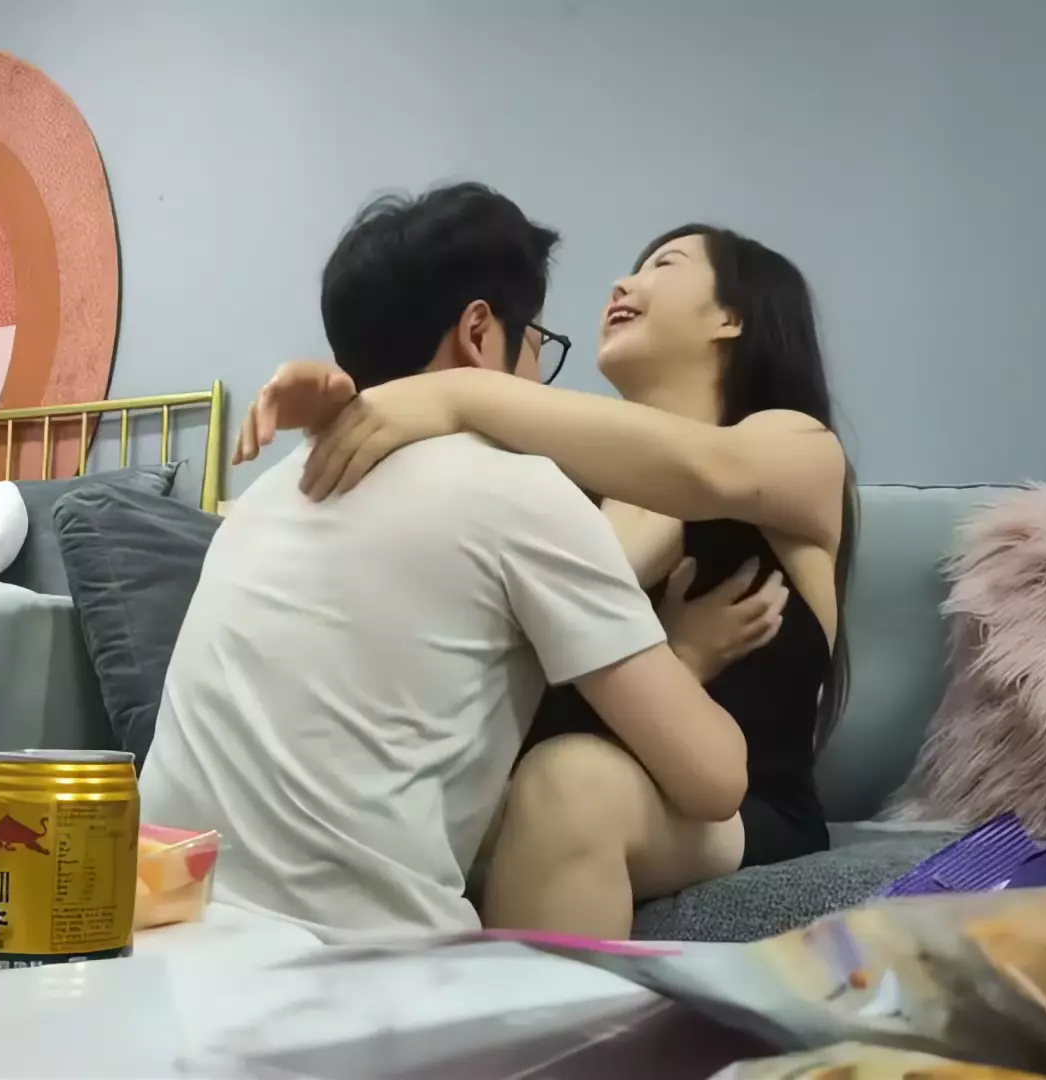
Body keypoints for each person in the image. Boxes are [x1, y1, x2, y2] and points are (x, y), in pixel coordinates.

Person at [139, 184, 762, 943]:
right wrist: (687, 653)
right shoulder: (518, 490)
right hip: (359, 970)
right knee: (712, 826)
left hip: (158, 939)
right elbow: (713, 779)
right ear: (478, 333)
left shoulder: (267, 494)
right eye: (537, 342)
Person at [239, 225, 853, 939]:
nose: (622, 284)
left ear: (731, 316)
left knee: (571, 785)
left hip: (743, 812)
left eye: (664, 264)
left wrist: (458, 392)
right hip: (582, 781)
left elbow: (713, 471)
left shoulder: (800, 448)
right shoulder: (560, 493)